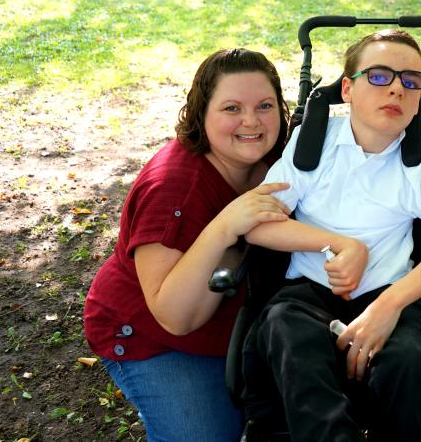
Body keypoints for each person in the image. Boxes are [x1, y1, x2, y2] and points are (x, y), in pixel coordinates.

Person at [243, 29, 421, 442]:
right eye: (378, 76)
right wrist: (340, 244)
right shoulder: (312, 146)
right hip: (308, 293)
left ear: (418, 99)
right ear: (348, 89)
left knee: (408, 362)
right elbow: (259, 221)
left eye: (411, 81)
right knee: (288, 332)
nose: (396, 88)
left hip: (391, 293)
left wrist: (389, 305)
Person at [84, 48, 292, 442]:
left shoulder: (282, 156)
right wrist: (224, 225)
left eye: (265, 105)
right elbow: (175, 317)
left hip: (237, 319)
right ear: (202, 113)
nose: (251, 121)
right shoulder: (173, 188)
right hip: (153, 334)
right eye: (232, 108)